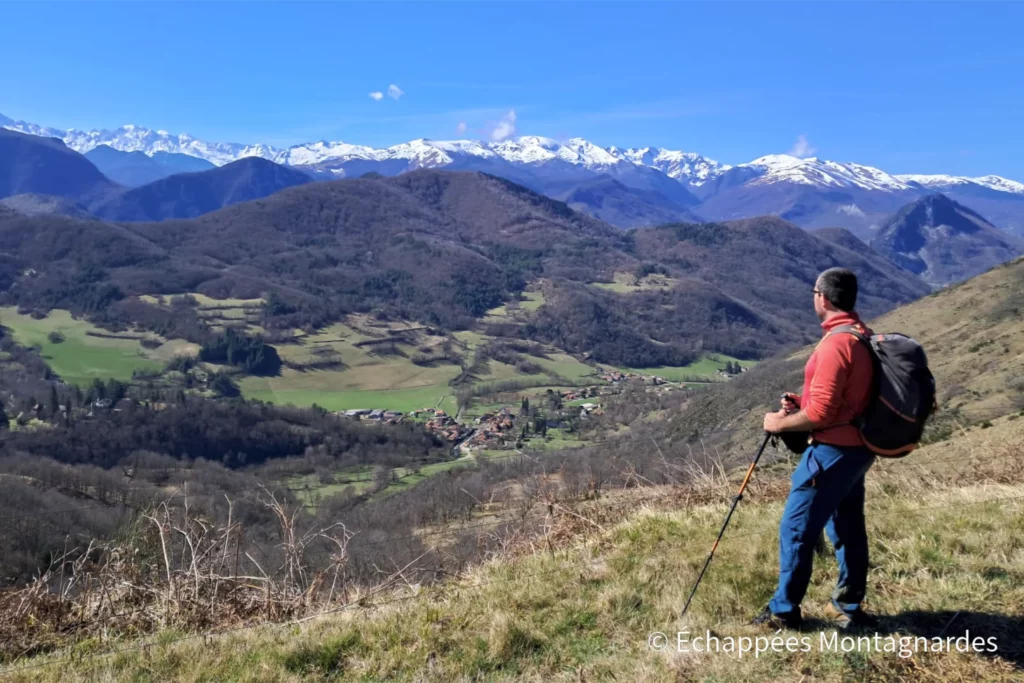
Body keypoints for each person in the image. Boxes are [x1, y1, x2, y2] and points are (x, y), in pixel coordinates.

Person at [752, 267, 878, 631]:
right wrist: (800, 401)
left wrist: (779, 423)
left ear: (821, 297)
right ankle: (849, 603)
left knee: (796, 530)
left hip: (831, 453)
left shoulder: (836, 344)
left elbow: (823, 412)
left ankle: (784, 611)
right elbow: (844, 399)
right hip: (858, 450)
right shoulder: (860, 335)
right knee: (848, 527)